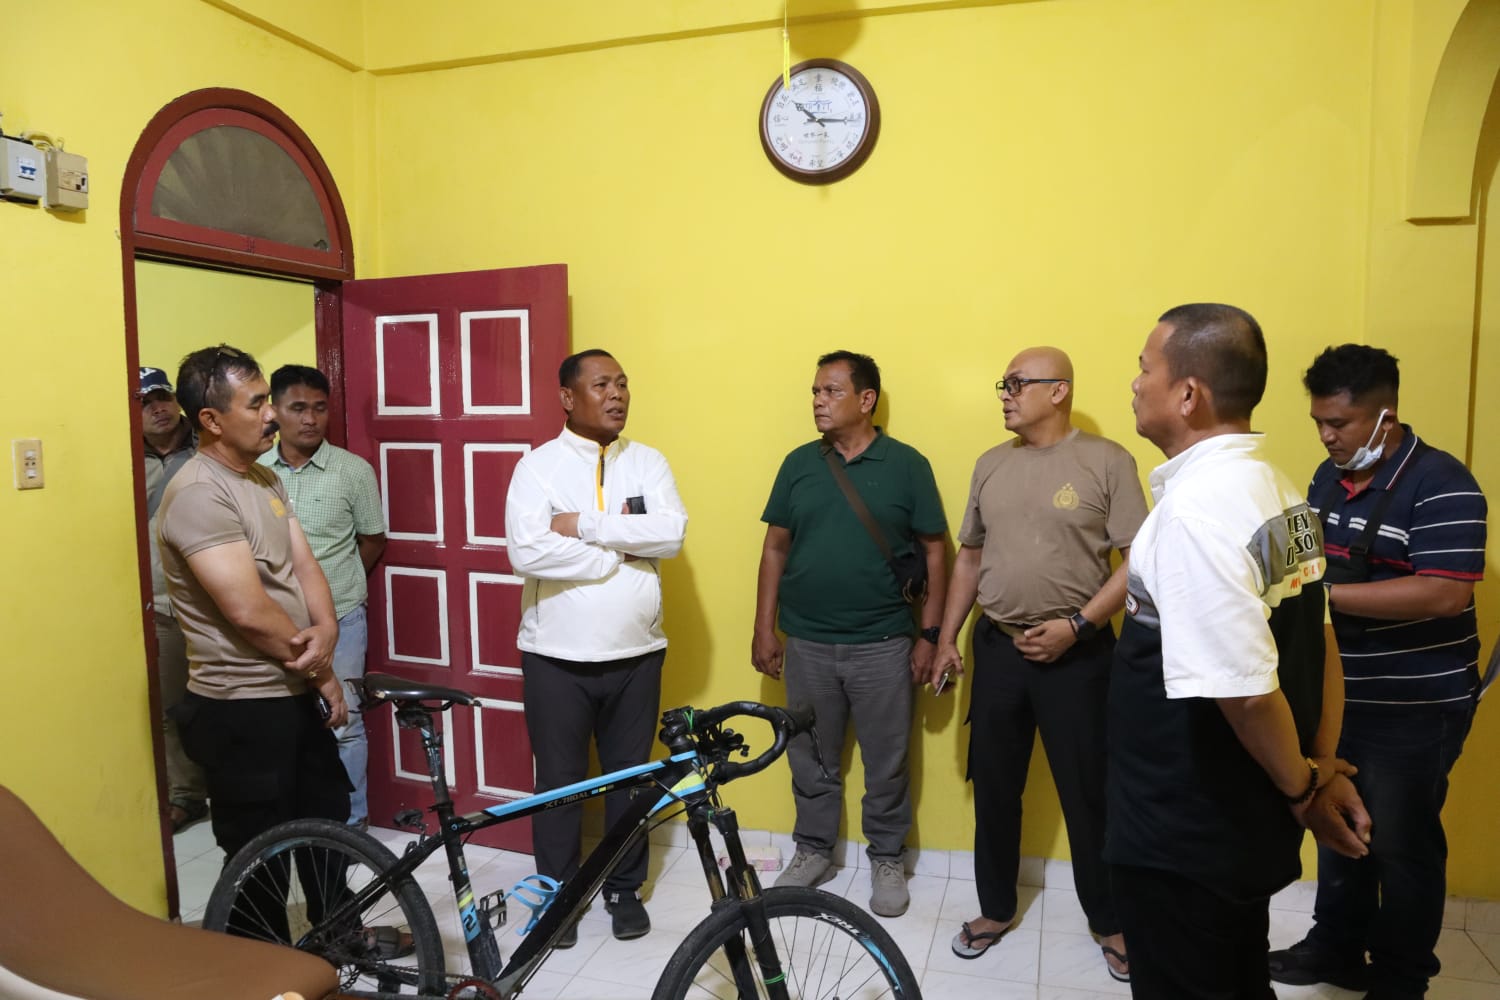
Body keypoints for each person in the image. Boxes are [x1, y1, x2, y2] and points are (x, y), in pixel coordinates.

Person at [1105, 304, 1371, 998]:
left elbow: (1247, 693)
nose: (1135, 383)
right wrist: (1320, 764)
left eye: (1145, 368)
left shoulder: (1195, 514)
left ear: (1188, 394)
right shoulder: (1276, 489)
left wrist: (1306, 789)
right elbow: (1319, 638)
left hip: (1187, 831)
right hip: (1236, 822)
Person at [1269, 345, 1486, 999]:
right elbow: (1295, 563)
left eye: (1339, 422)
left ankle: (1401, 976)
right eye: (1318, 422)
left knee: (1401, 843)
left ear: (1385, 417)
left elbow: (1445, 592)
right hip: (1338, 693)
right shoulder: (1325, 478)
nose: (1326, 435)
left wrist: (1323, 597)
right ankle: (1335, 946)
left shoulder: (1445, 483)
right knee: (1336, 820)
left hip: (1414, 705)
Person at [932, 347, 1145, 979]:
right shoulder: (991, 464)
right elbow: (970, 558)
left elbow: (1138, 560)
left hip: (1079, 655)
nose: (1005, 393)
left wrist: (1078, 626)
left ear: (1059, 391)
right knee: (995, 786)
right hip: (999, 649)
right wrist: (947, 638)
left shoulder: (1107, 461)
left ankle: (1110, 920)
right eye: (1004, 383)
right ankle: (995, 909)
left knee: (1090, 792)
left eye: (1018, 383)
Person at [752, 350, 947, 919]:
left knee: (887, 762)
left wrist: (930, 635)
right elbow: (775, 547)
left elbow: (937, 551)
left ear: (866, 400)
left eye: (831, 391)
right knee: (810, 757)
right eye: (815, 391)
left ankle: (886, 857)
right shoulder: (799, 464)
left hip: (884, 643)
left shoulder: (907, 465)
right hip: (807, 642)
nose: (818, 401)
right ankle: (813, 850)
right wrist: (764, 627)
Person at [504, 349, 688, 944]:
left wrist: (582, 525)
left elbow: (671, 534)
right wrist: (618, 552)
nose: (617, 395)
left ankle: (623, 888)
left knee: (630, 780)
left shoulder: (649, 462)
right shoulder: (537, 468)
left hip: (638, 654)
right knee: (560, 783)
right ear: (568, 397)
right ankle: (558, 896)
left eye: (623, 384)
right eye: (602, 384)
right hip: (555, 656)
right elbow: (527, 552)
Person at [157, 345, 352, 881]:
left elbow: (304, 564)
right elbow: (248, 610)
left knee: (327, 832)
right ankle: (257, 941)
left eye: (268, 400)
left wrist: (327, 630)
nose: (271, 415)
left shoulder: (264, 479)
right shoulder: (199, 493)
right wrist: (323, 673)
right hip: (242, 706)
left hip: (293, 688)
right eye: (256, 403)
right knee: (261, 863)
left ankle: (338, 930)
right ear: (211, 420)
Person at [260, 365, 386, 830]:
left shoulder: (353, 471)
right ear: (274, 411)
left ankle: (350, 825)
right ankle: (298, 824)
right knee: (282, 722)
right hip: (274, 621)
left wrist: (338, 589)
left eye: (319, 408)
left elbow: (372, 539)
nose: (310, 419)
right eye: (298, 408)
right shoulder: (255, 473)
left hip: (341, 617)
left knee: (344, 722)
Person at [140, 365, 208, 833]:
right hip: (159, 604)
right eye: (144, 403)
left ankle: (229, 785)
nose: (157, 409)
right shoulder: (126, 458)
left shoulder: (208, 446)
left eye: (161, 397)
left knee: (221, 699)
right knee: (169, 707)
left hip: (213, 602)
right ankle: (186, 794)